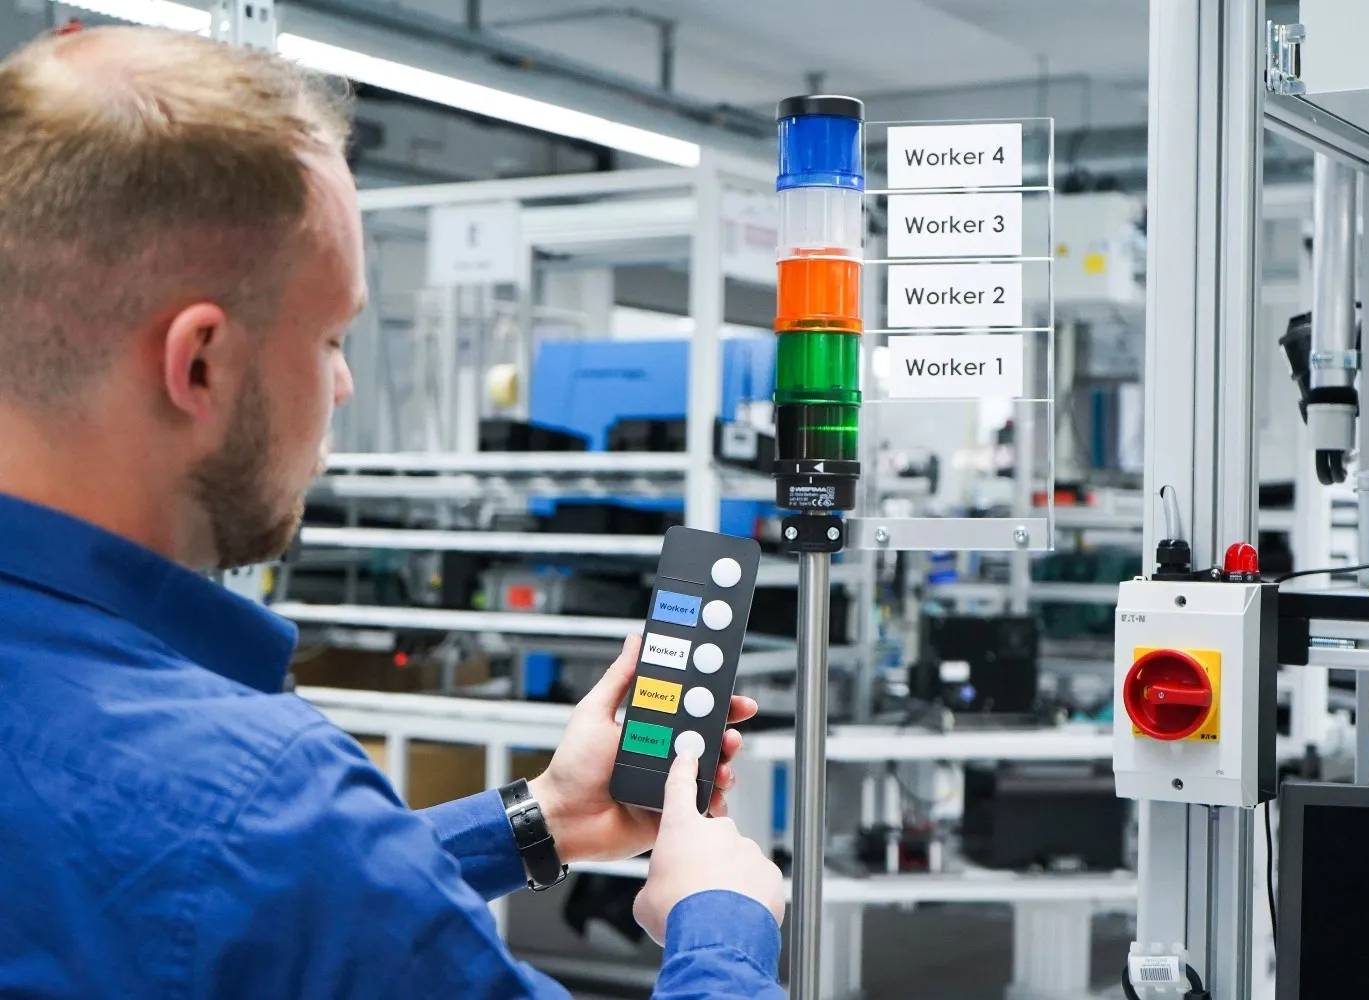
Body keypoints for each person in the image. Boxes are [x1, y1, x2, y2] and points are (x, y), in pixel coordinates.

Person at [0, 24, 787, 1000]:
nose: (342, 386)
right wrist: (721, 924)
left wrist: (540, 817)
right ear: (199, 363)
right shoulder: (262, 801)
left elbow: (203, 904)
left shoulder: (250, 835)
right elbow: (251, 869)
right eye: (332, 337)